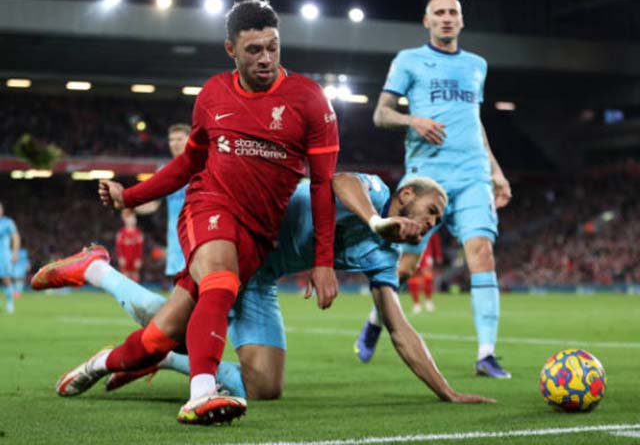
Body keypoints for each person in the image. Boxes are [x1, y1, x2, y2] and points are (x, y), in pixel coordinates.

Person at [33, 173, 494, 405]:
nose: (430, 223)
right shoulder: (372, 192)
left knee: (265, 386)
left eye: (437, 222)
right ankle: (96, 269)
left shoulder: (383, 258)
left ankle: (167, 358)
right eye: (430, 210)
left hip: (262, 280)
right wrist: (375, 221)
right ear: (407, 195)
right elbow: (336, 179)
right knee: (167, 323)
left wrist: (447, 392)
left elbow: (399, 329)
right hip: (237, 240)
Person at [95, 0, 340, 425]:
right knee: (220, 280)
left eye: (273, 47)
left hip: (259, 236)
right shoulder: (212, 94)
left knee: (168, 339)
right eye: (254, 50)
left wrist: (322, 262)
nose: (265, 59)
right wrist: (130, 196)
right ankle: (201, 393)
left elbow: (322, 186)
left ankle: (98, 362)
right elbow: (189, 164)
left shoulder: (310, 100)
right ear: (231, 50)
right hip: (209, 206)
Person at [358, 0, 513, 378]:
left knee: (481, 251)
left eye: (453, 13)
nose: (446, 19)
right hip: (427, 178)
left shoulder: (477, 65)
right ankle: (376, 321)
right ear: (426, 21)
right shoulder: (409, 60)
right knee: (407, 267)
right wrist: (414, 122)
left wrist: (496, 171)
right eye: (439, 13)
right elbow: (381, 114)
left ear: (461, 21)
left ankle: (486, 354)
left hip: (473, 174)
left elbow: (474, 121)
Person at [135, 124, 189, 280]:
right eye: (172, 140)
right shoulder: (164, 171)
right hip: (175, 241)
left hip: (197, 238)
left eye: (180, 139)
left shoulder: (202, 167)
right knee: (180, 289)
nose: (175, 143)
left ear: (190, 141)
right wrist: (128, 204)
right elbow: (153, 203)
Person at [407, 232, 442, 313]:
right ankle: (416, 304)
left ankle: (428, 301)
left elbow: (435, 239)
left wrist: (438, 254)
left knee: (428, 276)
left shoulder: (429, 222)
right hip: (412, 252)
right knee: (414, 276)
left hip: (426, 253)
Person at [0, 202, 20, 314]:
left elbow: (15, 237)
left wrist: (15, 252)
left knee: (6, 279)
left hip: (3, 255)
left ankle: (10, 302)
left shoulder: (8, 222)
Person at [115, 209, 144, 283]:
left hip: (134, 258)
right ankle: (124, 292)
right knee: (125, 275)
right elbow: (119, 246)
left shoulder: (138, 233)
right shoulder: (121, 233)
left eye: (134, 218)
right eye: (130, 218)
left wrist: (139, 258)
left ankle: (135, 293)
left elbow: (140, 247)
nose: (132, 220)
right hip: (125, 258)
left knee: (135, 275)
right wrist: (121, 257)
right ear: (125, 219)